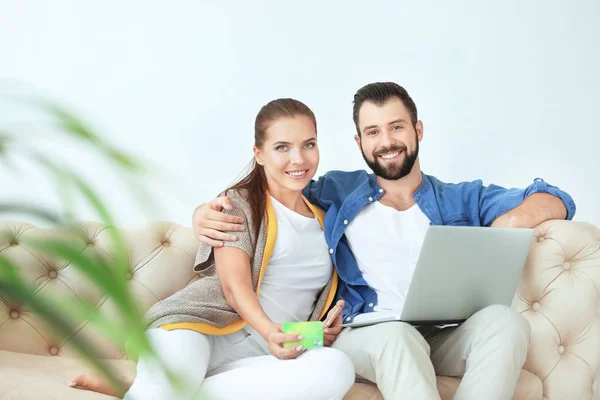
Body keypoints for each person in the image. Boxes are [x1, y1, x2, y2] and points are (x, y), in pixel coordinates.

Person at [193, 82, 576, 400]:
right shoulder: (335, 192)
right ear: (359, 141)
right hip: (364, 333)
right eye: (373, 132)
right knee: (398, 336)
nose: (386, 141)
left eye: (397, 127)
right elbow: (272, 186)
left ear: (418, 131)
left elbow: (554, 197)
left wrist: (508, 223)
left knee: (505, 321)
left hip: (442, 333)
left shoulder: (459, 197)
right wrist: (202, 214)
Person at [67, 98, 355, 400]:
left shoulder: (326, 216)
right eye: (282, 147)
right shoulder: (237, 205)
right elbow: (234, 287)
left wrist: (313, 334)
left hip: (260, 355)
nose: (298, 159)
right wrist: (269, 332)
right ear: (259, 154)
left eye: (308, 144)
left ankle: (144, 385)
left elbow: (298, 299)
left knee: (337, 368)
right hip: (196, 329)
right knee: (168, 385)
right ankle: (160, 385)